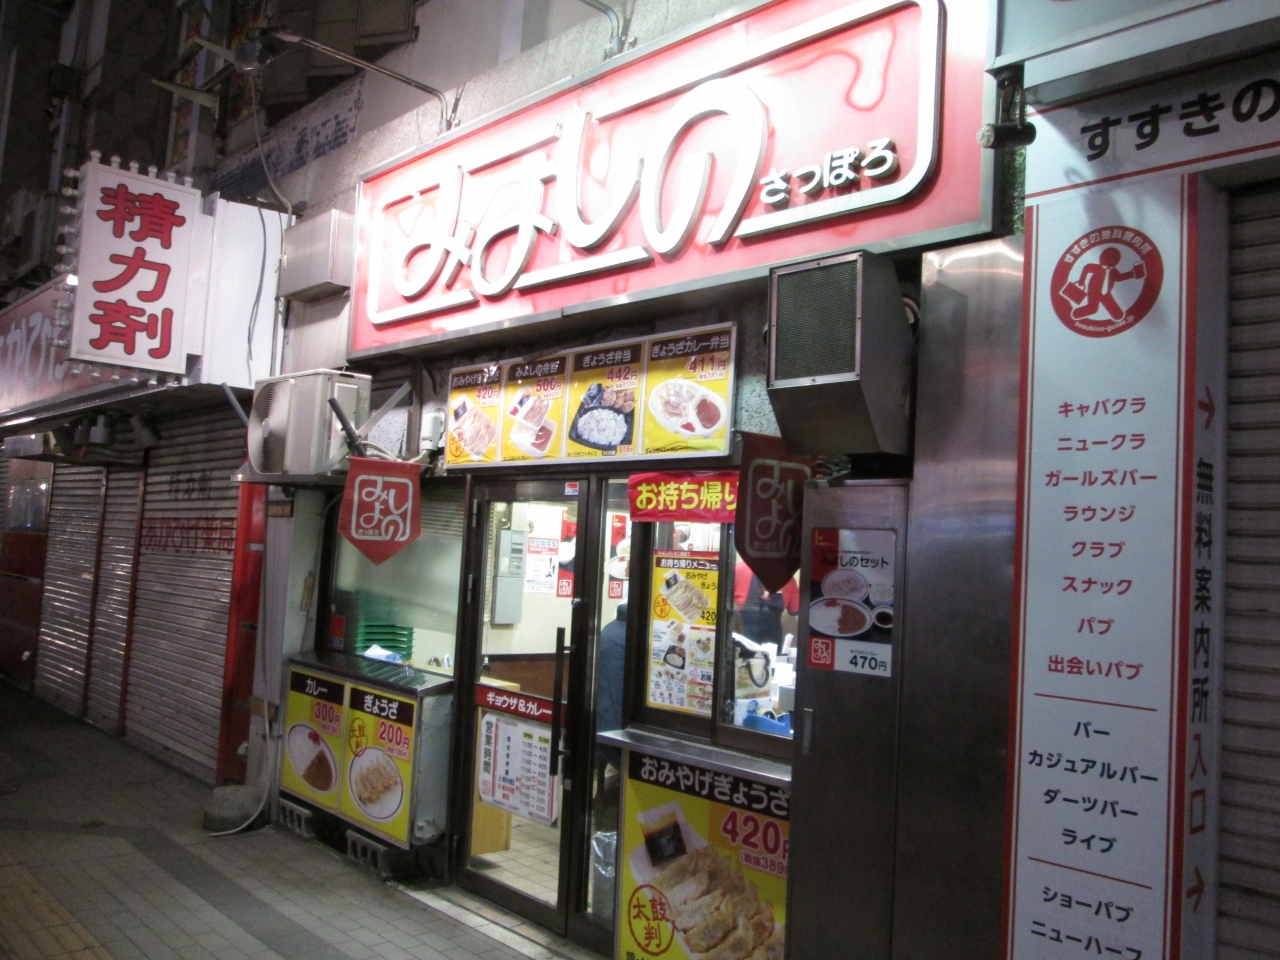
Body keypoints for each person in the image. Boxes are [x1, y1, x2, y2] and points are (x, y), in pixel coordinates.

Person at [733, 560, 799, 648]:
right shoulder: (788, 577)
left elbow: (799, 613)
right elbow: (799, 614)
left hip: (764, 635)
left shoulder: (737, 569)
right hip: (750, 633)